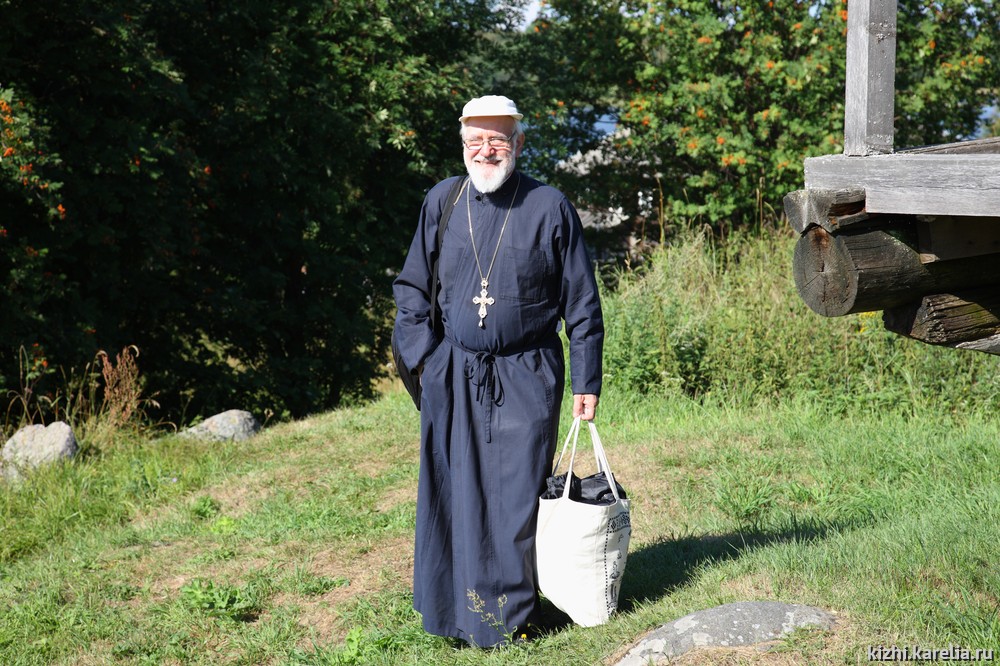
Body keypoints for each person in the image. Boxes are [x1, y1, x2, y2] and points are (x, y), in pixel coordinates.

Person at [392, 94, 604, 647]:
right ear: (462, 144)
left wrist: (587, 380)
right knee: (456, 492)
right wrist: (426, 359)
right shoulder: (443, 200)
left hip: (526, 372)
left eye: (497, 140)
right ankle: (454, 613)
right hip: (454, 373)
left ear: (519, 144)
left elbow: (582, 301)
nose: (485, 150)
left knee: (517, 496)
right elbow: (412, 290)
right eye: (475, 141)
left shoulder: (549, 206)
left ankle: (512, 619)